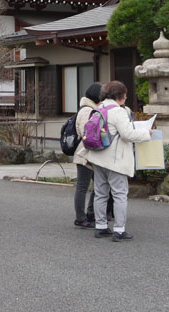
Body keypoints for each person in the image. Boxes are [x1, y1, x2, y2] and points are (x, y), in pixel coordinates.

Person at [85, 80, 152, 242]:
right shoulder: (118, 111)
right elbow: (127, 134)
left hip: (98, 157)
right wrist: (147, 133)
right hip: (115, 159)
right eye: (125, 95)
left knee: (100, 193)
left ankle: (100, 227)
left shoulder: (98, 108)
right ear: (120, 96)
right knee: (119, 194)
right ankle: (119, 229)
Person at [72, 82, 101, 228]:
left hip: (93, 154)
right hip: (85, 154)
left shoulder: (92, 109)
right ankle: (80, 217)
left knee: (99, 185)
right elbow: (86, 134)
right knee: (82, 186)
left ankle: (91, 213)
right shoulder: (87, 110)